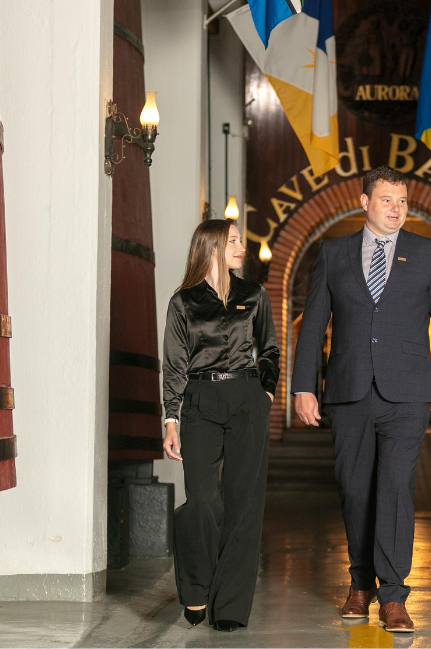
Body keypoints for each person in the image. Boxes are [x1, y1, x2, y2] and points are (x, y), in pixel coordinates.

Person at [291, 166, 431, 633]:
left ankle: (392, 595)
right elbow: (313, 325)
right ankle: (359, 582)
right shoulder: (333, 253)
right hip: (348, 391)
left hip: (406, 394)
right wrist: (303, 386)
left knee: (395, 488)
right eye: (386, 199)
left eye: (402, 201)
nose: (396, 209)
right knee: (354, 488)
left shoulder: (428, 254)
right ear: (363, 202)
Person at [162, 219, 279, 632]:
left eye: (241, 240)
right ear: (211, 247)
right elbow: (174, 364)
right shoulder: (184, 302)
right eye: (233, 241)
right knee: (203, 502)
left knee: (245, 503)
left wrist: (265, 392)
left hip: (247, 399)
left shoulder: (254, 295)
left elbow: (269, 348)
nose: (241, 246)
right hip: (200, 401)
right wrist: (171, 417)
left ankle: (229, 606)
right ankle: (195, 588)